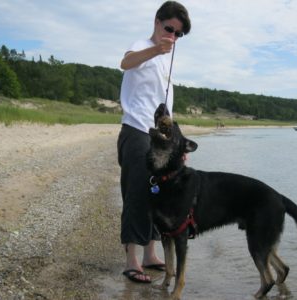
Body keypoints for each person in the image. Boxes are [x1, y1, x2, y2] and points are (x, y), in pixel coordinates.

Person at [117, 1, 191, 284]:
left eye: (178, 34)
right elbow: (125, 63)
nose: (172, 36)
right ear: (157, 21)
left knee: (155, 194)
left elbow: (164, 107)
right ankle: (131, 261)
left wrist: (178, 146)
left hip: (160, 138)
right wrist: (155, 49)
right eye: (169, 28)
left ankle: (150, 254)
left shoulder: (165, 60)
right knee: (136, 194)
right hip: (136, 130)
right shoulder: (142, 45)